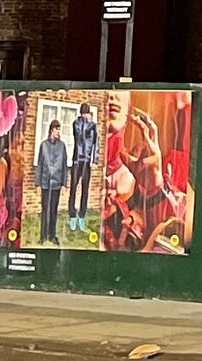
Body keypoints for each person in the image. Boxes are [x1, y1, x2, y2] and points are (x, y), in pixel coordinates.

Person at [100, 92, 190, 253]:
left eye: (119, 86)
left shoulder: (140, 177)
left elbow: (182, 235)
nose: (111, 93)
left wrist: (155, 188)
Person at [34, 120, 68, 245]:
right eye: (56, 129)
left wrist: (64, 183)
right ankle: (43, 236)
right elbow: (40, 165)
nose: (58, 132)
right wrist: (38, 184)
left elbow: (64, 165)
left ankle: (52, 235)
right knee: (45, 209)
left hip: (57, 183)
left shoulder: (62, 146)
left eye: (59, 129)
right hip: (45, 182)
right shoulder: (43, 145)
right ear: (51, 130)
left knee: (54, 210)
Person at [69, 102, 97, 232]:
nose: (86, 115)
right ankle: (72, 215)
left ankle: (82, 216)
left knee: (85, 189)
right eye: (84, 113)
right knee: (73, 188)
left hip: (87, 161)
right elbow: (79, 136)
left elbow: (95, 142)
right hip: (77, 160)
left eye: (87, 112)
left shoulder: (93, 126)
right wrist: (86, 122)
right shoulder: (76, 123)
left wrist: (95, 159)